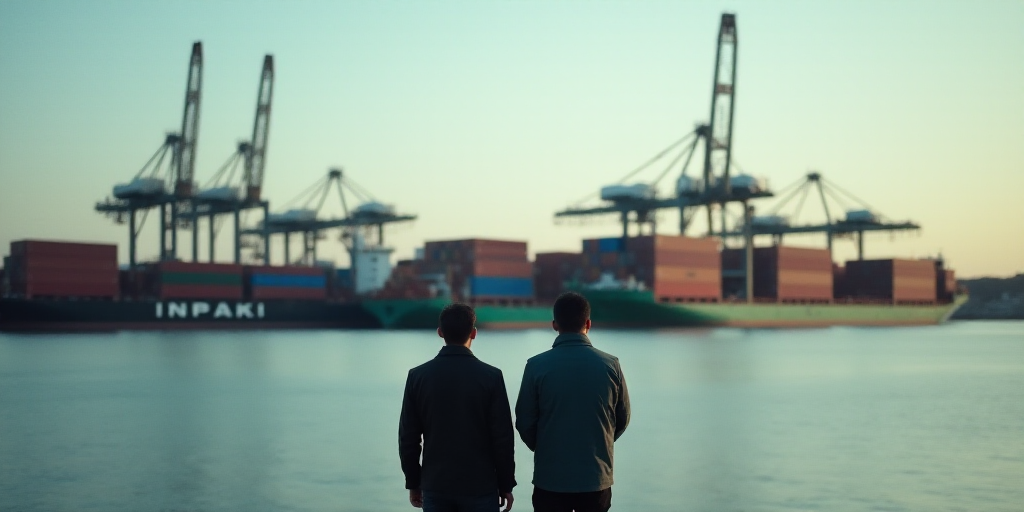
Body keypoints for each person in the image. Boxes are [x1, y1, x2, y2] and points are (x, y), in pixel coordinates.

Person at [515, 292, 630, 512]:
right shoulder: (611, 365)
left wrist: (545, 447)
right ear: (588, 323)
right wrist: (599, 443)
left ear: (554, 325)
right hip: (596, 479)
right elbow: (622, 418)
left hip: (550, 479)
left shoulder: (536, 366)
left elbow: (524, 422)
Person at [399, 303, 516, 512]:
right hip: (481, 486)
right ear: (474, 333)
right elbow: (503, 438)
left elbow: (408, 437)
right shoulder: (491, 377)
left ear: (440, 332)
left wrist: (413, 482)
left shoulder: (418, 376)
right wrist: (506, 484)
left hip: (436, 485)